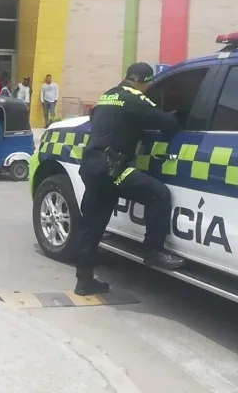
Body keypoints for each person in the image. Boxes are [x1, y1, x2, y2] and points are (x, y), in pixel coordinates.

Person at [73, 62, 184, 297]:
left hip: (92, 167)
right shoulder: (136, 98)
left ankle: (84, 281)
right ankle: (153, 251)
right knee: (158, 193)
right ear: (145, 82)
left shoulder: (108, 95)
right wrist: (172, 115)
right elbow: (169, 124)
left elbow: (106, 121)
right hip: (113, 169)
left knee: (91, 227)